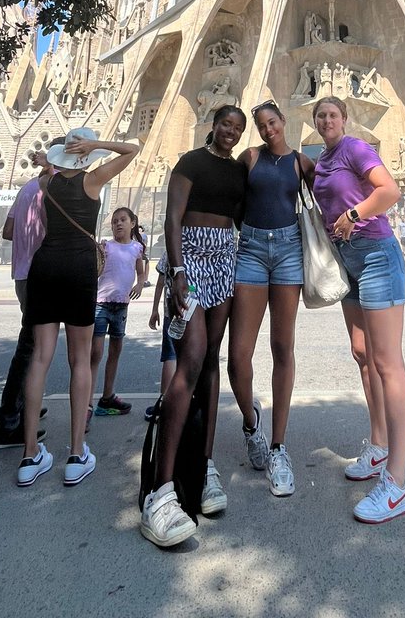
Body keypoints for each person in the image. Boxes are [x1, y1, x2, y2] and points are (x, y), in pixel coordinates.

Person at [140, 105, 247, 549]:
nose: (231, 133)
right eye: (226, 125)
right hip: (193, 257)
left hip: (226, 256)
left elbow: (244, 217)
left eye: (238, 129)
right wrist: (177, 271)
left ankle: (203, 469)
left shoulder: (238, 171)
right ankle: (160, 491)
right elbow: (172, 217)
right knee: (191, 358)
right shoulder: (190, 162)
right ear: (213, 125)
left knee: (211, 362)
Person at [17, 128, 139, 489]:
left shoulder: (46, 184)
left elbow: (48, 170)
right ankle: (76, 453)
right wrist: (98, 146)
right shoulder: (93, 180)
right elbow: (131, 149)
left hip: (45, 266)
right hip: (78, 269)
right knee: (80, 359)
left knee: (39, 359)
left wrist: (48, 161)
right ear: (83, 154)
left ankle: (29, 456)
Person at [311, 96, 405, 524]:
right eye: (320, 116)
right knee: (362, 355)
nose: (327, 120)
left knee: (388, 362)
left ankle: (397, 483)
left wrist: (355, 212)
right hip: (347, 261)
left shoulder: (354, 148)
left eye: (333, 114)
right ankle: (378, 445)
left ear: (344, 119)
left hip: (375, 255)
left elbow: (390, 190)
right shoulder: (320, 161)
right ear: (315, 123)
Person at [228, 100, 315, 499]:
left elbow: (327, 196)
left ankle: (279, 447)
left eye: (272, 123)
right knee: (238, 355)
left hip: (288, 250)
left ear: (284, 122)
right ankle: (251, 424)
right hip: (250, 250)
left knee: (283, 347)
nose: (268, 130)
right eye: (262, 125)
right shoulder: (248, 158)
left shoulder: (301, 163)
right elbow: (227, 197)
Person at [0, 141, 64, 450]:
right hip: (42, 275)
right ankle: (7, 423)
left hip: (22, 274)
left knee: (32, 346)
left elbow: (7, 231)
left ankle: (24, 404)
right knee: (31, 350)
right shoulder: (55, 184)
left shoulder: (27, 188)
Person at [88, 207, 147, 424]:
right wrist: (99, 255)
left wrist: (140, 284)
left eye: (122, 220)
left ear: (133, 223)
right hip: (101, 305)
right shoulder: (106, 246)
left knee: (115, 351)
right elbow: (97, 270)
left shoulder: (136, 248)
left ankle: (107, 397)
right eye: (114, 221)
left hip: (121, 307)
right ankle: (87, 404)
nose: (118, 224)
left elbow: (140, 272)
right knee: (95, 353)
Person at [146, 252, 177, 421]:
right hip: (195, 310)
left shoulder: (169, 252)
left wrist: (154, 309)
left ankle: (165, 403)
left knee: (170, 356)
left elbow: (160, 282)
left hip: (171, 309)